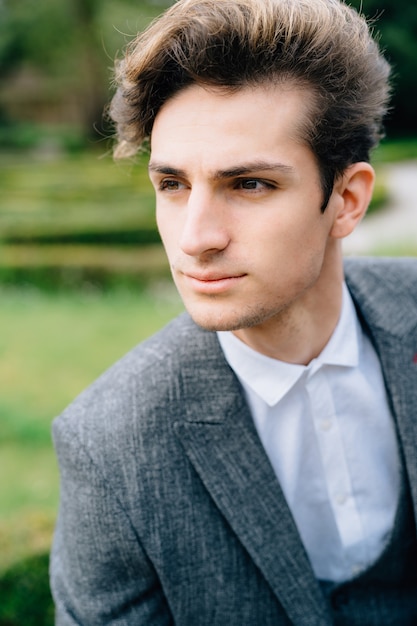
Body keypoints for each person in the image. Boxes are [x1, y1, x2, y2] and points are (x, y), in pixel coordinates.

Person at [50, 0, 417, 623]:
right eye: (172, 184)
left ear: (347, 201)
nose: (196, 238)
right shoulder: (109, 446)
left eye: (249, 184)